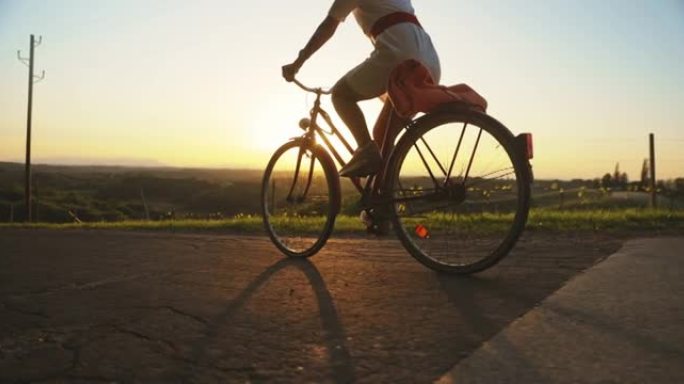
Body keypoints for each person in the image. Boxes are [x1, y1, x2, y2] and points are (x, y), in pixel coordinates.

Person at [282, 0, 441, 177]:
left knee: (341, 94)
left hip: (399, 55)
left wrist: (298, 62)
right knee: (382, 135)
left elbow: (328, 26)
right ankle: (384, 198)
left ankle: (366, 150)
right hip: (430, 60)